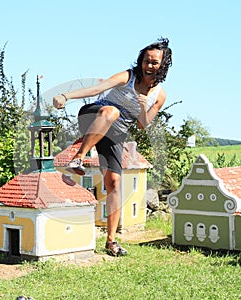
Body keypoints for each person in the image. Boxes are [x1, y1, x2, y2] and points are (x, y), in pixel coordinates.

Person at [53, 37, 172, 256]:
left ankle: (111, 242)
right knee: (112, 111)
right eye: (146, 60)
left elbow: (142, 124)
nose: (149, 65)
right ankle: (79, 156)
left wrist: (144, 107)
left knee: (114, 182)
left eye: (154, 62)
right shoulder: (128, 76)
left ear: (162, 65)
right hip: (94, 115)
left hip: (116, 133)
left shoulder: (159, 95)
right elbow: (97, 88)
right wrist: (66, 96)